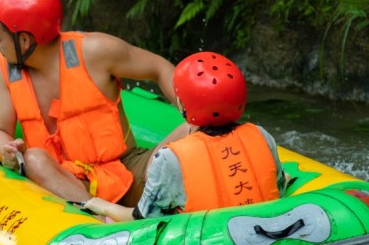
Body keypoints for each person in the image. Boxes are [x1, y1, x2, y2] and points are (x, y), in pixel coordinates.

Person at [0, 0, 178, 207]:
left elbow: (160, 68)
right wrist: (6, 150)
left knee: (192, 128)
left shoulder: (94, 51)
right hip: (66, 181)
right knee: (34, 159)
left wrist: (190, 111)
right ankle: (98, 221)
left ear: (25, 40)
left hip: (129, 170)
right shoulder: (3, 70)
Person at [83, 52, 287, 222]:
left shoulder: (170, 158)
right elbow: (277, 187)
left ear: (182, 105)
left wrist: (103, 206)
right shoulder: (262, 136)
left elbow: (142, 218)